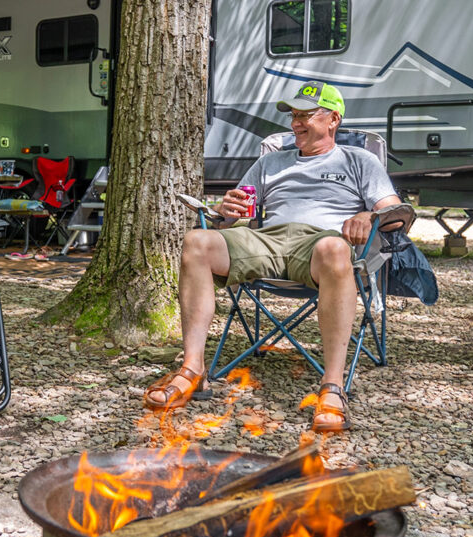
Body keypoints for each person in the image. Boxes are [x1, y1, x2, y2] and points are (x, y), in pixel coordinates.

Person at [144, 80, 401, 433]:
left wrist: (368, 216)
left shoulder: (359, 160)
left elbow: (397, 213)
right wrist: (224, 210)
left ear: (333, 120)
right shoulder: (271, 162)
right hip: (265, 241)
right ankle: (193, 370)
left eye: (306, 116)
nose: (296, 123)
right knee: (197, 241)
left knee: (334, 248)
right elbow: (230, 216)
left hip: (321, 247)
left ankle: (332, 386)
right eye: (294, 116)